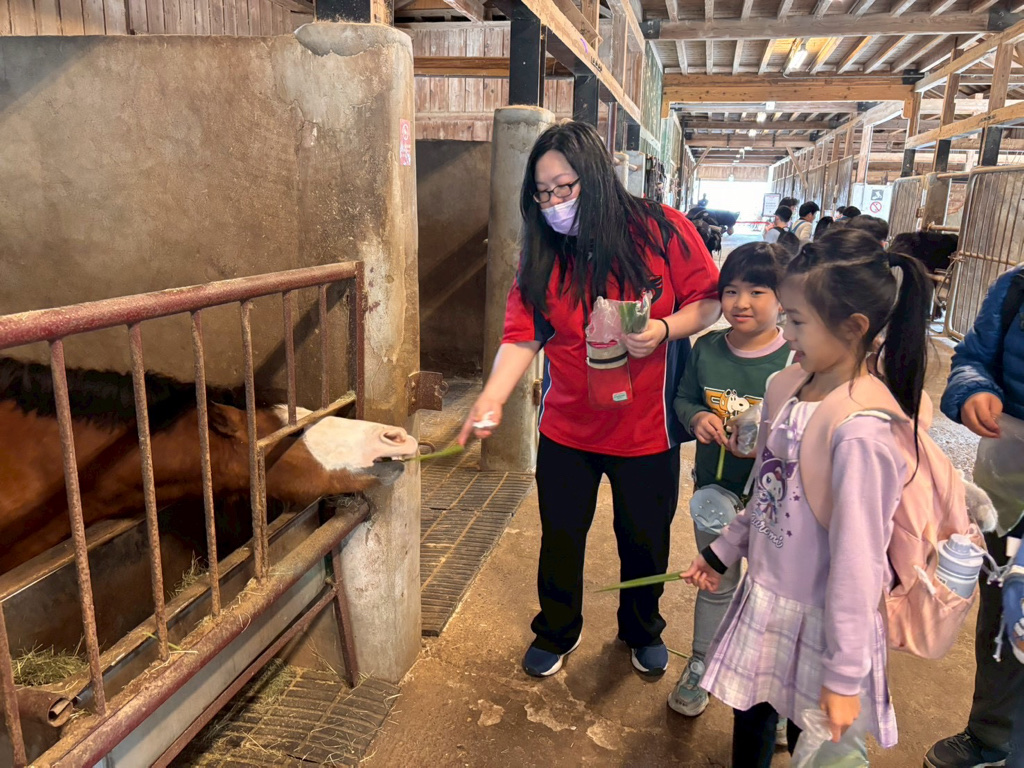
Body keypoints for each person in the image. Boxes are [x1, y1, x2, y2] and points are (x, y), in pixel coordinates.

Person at [458, 121, 721, 680]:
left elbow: (708, 298)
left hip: (646, 429)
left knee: (644, 539)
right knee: (560, 535)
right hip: (568, 428)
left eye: (564, 187)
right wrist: (492, 397)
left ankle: (642, 628)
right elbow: (523, 333)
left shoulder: (663, 230)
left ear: (596, 177)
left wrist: (665, 329)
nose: (554, 203)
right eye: (542, 192)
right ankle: (557, 627)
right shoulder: (544, 250)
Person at [684, 228, 933, 767]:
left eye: (797, 321)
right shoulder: (788, 388)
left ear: (854, 327)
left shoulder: (862, 432)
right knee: (751, 710)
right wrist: (721, 551)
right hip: (768, 597)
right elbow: (766, 491)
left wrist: (844, 677)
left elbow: (858, 563)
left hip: (822, 620)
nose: (786, 332)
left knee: (810, 738)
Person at [668, 242, 793, 719]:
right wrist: (697, 416)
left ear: (783, 298)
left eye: (757, 292)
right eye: (731, 291)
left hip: (776, 505)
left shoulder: (795, 361)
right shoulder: (707, 349)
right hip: (713, 495)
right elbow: (683, 398)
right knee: (714, 577)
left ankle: (774, 692)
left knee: (773, 591)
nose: (741, 303)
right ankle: (702, 661)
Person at [926, 263, 1024, 768]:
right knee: (1007, 612)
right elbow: (973, 359)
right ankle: (991, 736)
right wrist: (973, 391)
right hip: (1012, 488)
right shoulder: (1017, 288)